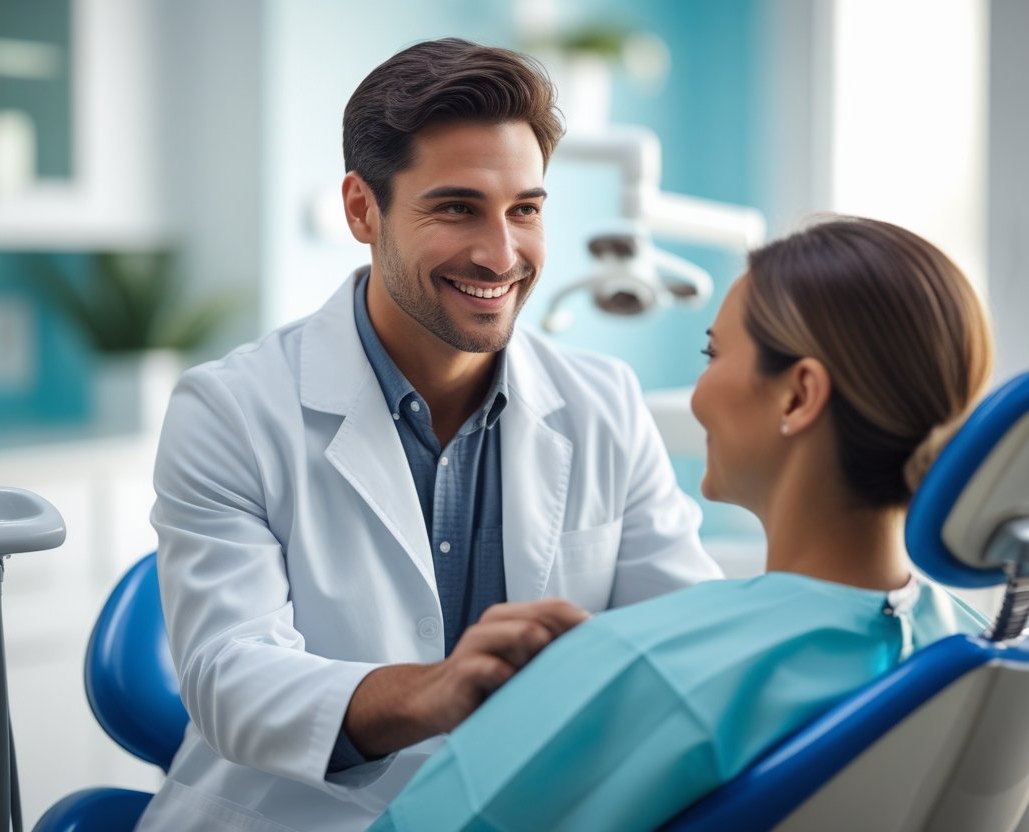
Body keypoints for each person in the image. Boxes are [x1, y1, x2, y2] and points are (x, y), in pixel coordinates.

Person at [137, 38, 721, 831]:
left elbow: (686, 641)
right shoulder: (229, 410)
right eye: (456, 208)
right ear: (360, 210)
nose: (501, 254)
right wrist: (434, 691)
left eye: (525, 210)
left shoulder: (603, 402)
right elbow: (231, 680)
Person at [370, 216, 996, 831]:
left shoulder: (644, 672)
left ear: (798, 396)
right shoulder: (976, 650)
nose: (697, 393)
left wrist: (580, 683)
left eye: (713, 353)